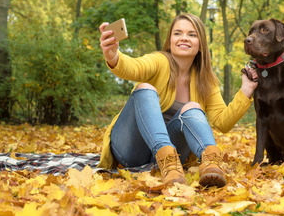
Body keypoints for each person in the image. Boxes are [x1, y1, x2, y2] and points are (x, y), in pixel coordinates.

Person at [98, 13, 258, 188]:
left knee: (193, 107)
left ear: (200, 45)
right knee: (145, 89)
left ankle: (211, 162)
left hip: (173, 162)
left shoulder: (207, 81)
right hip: (130, 150)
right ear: (170, 40)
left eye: (192, 34)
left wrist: (246, 89)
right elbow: (134, 67)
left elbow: (223, 122)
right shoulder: (159, 61)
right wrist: (113, 56)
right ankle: (167, 160)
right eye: (177, 33)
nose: (184, 38)